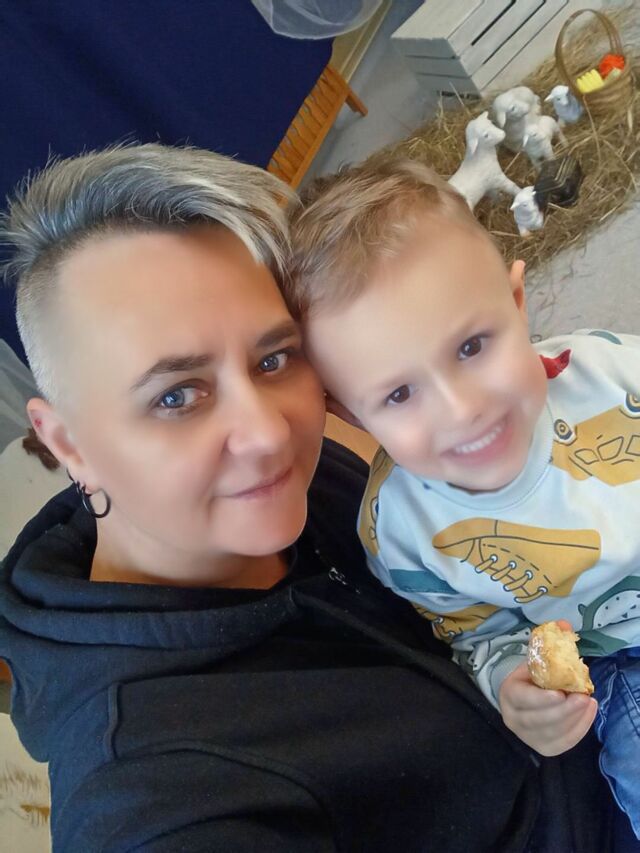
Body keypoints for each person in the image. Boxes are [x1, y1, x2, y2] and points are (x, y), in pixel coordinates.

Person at [0, 144, 617, 853]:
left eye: (273, 358)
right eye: (176, 396)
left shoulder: (276, 491)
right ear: (68, 442)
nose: (269, 433)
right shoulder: (158, 800)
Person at [287, 156, 640, 842]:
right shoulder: (403, 531)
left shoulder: (612, 373)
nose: (462, 409)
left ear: (517, 302)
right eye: (398, 393)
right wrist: (514, 686)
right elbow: (476, 632)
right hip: (617, 662)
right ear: (348, 413)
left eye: (473, 346)